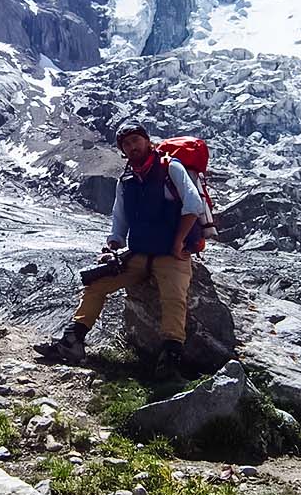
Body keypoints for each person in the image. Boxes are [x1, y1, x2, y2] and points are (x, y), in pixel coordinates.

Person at [35, 125, 210, 376]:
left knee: (173, 297)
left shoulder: (170, 168)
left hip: (171, 253)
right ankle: (72, 341)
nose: (132, 147)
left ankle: (171, 354)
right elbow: (120, 218)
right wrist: (114, 243)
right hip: (139, 253)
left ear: (148, 142)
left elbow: (193, 205)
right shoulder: (126, 179)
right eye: (126, 145)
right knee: (96, 284)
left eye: (136, 141)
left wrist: (178, 242)